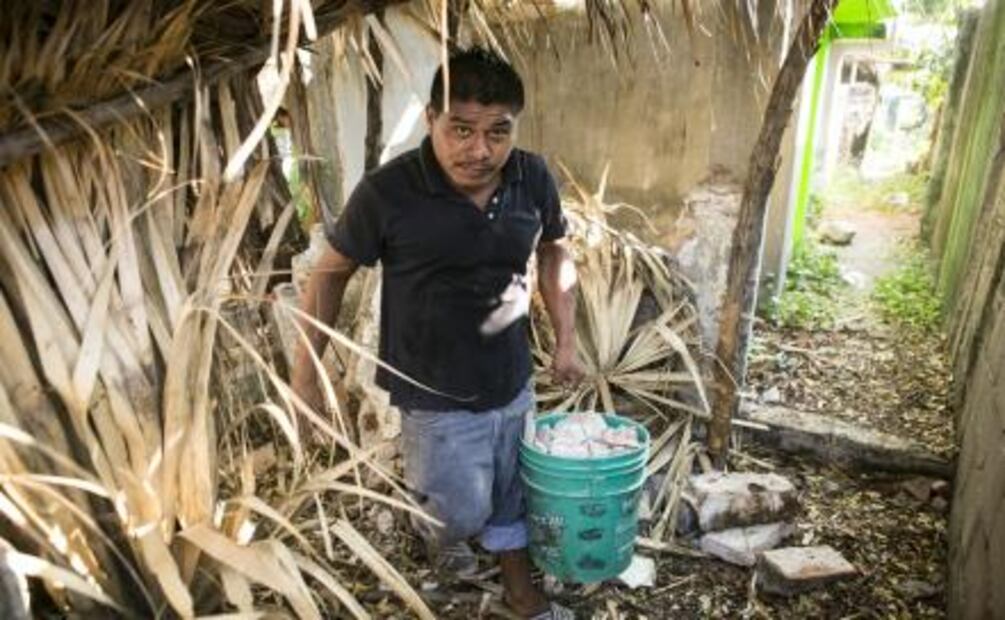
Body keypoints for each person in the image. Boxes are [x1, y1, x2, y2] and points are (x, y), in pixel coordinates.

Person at [291, 47, 583, 619]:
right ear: (431, 119)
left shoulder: (531, 176)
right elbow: (328, 279)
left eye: (498, 132)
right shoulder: (389, 192)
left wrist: (567, 341)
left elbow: (554, 251)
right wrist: (304, 382)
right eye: (462, 130)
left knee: (513, 492)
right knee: (457, 515)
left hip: (512, 377)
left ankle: (521, 592)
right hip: (433, 390)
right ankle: (440, 537)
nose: (481, 150)